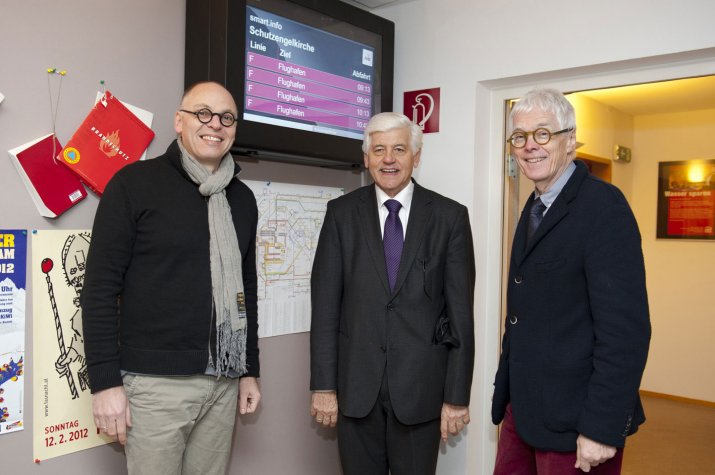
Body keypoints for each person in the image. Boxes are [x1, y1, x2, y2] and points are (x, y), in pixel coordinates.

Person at [81, 81, 261, 475]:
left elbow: (246, 291)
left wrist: (248, 370)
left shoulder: (242, 199)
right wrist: (105, 383)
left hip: (224, 380)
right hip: (155, 386)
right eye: (203, 113)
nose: (215, 124)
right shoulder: (133, 184)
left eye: (227, 118)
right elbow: (98, 290)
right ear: (179, 121)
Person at [492, 88, 651, 474]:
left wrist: (601, 427)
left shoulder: (604, 207)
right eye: (520, 136)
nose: (529, 146)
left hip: (578, 420)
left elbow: (625, 333)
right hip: (523, 410)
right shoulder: (535, 205)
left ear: (570, 139)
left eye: (542, 133)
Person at [310, 112, 476, 475]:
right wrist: (323, 386)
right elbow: (324, 309)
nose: (389, 159)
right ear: (366, 158)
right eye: (379, 150)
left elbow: (461, 317)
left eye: (399, 149)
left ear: (417, 156)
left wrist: (456, 397)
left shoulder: (449, 217)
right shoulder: (340, 214)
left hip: (421, 393)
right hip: (356, 391)